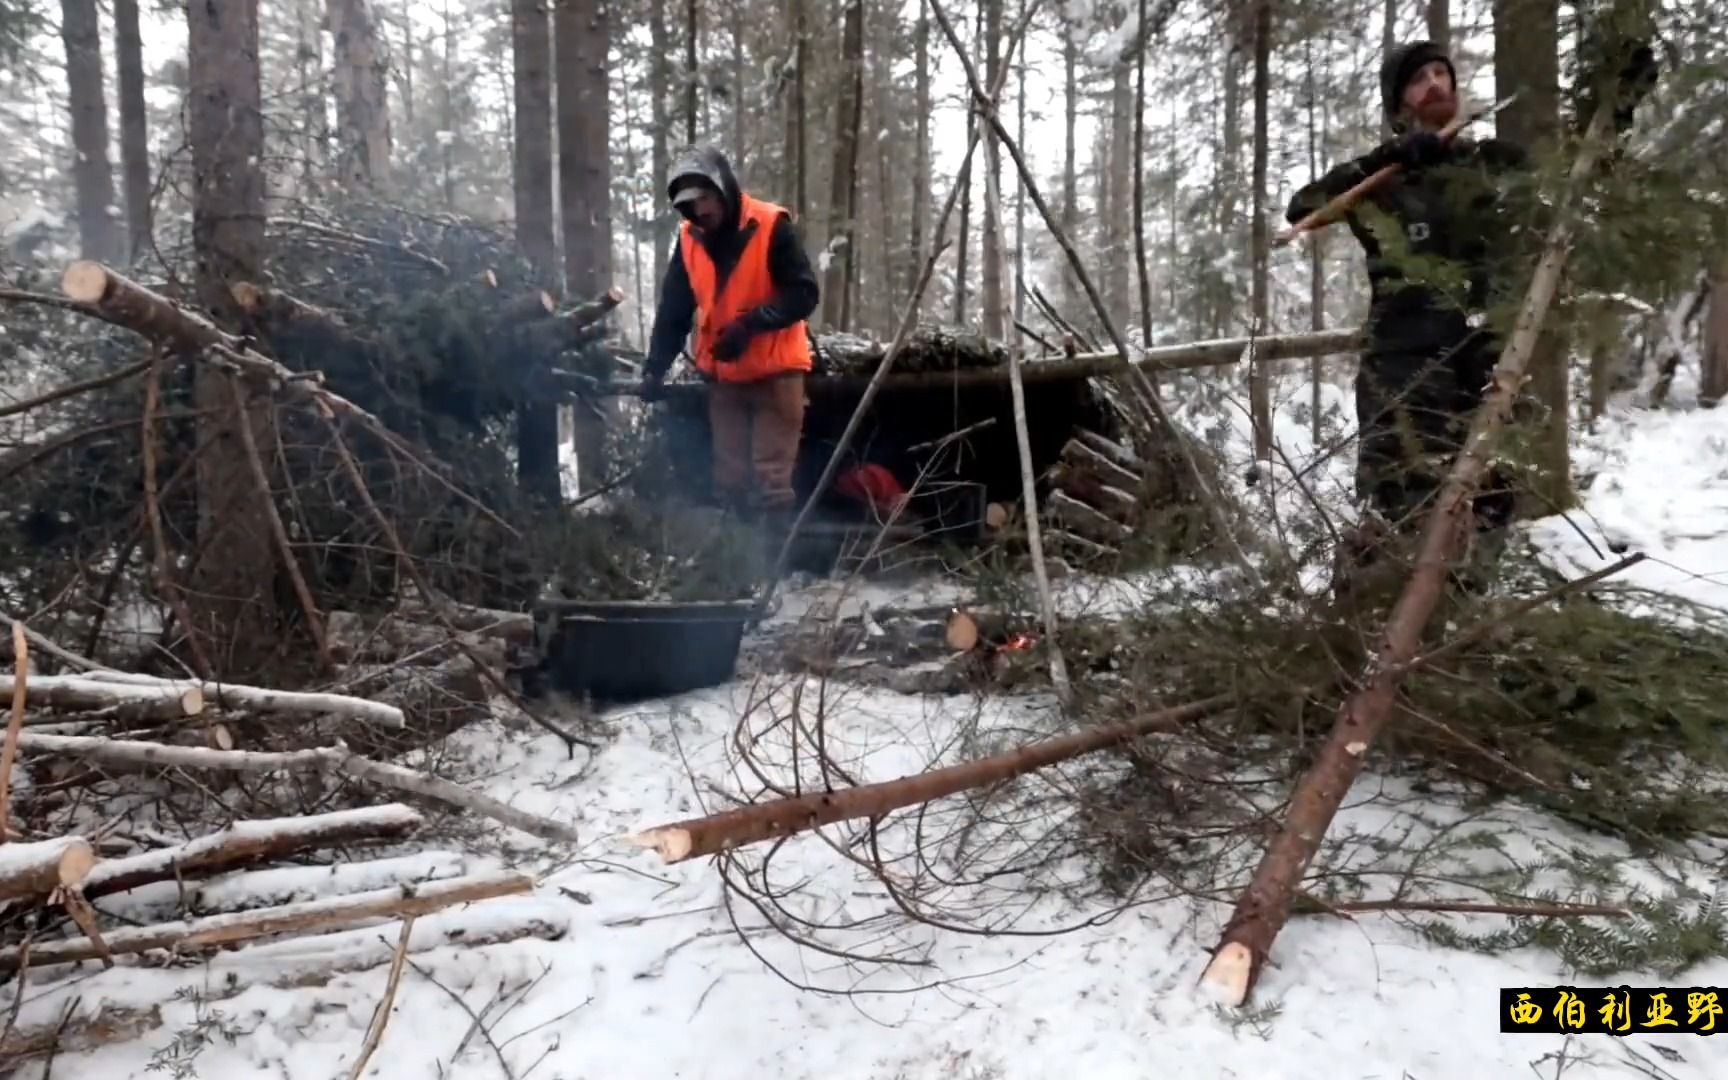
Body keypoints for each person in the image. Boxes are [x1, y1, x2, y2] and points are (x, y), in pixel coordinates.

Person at [1289, 38, 1656, 594]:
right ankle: (1370, 637)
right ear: (1397, 105)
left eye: (1443, 74)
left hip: (1488, 363)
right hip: (1403, 369)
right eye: (1419, 79)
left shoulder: (1492, 165)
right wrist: (1388, 160)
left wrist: (1617, 105)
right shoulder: (1383, 183)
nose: (1436, 83)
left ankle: (1458, 634)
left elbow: (1580, 180)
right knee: (1401, 504)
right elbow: (1304, 209)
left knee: (1489, 500)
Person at [640, 145, 821, 548]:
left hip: (775, 375)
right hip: (724, 377)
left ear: (724, 188)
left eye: (705, 197)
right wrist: (655, 367)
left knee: (770, 479)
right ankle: (738, 567)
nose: (699, 210)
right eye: (689, 203)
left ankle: (775, 569)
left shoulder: (770, 224)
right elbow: (675, 309)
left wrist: (753, 324)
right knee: (731, 479)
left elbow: (804, 293)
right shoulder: (689, 241)